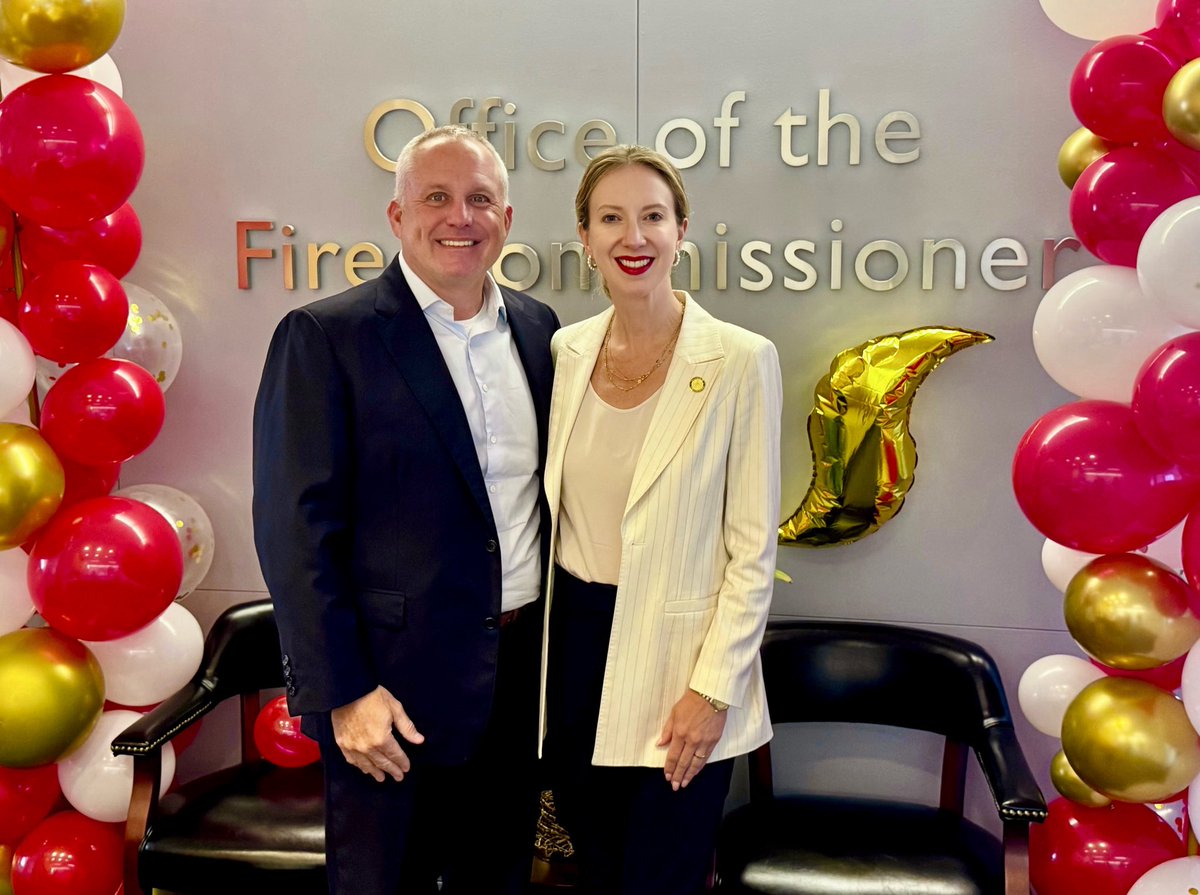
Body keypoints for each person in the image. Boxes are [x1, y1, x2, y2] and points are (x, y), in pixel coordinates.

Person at [252, 124, 559, 895]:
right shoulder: (327, 336)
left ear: (506, 219)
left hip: (517, 684)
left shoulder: (541, 331)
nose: (460, 216)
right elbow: (295, 534)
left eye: (479, 199)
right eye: (436, 197)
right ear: (397, 216)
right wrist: (343, 694)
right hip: (388, 693)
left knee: (498, 881)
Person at [540, 145, 782, 894]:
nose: (633, 237)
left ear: (682, 231)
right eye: (611, 218)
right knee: (594, 869)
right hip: (575, 649)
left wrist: (713, 692)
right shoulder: (566, 351)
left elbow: (752, 551)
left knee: (662, 878)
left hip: (681, 667)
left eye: (652, 216)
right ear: (585, 238)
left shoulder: (741, 360)